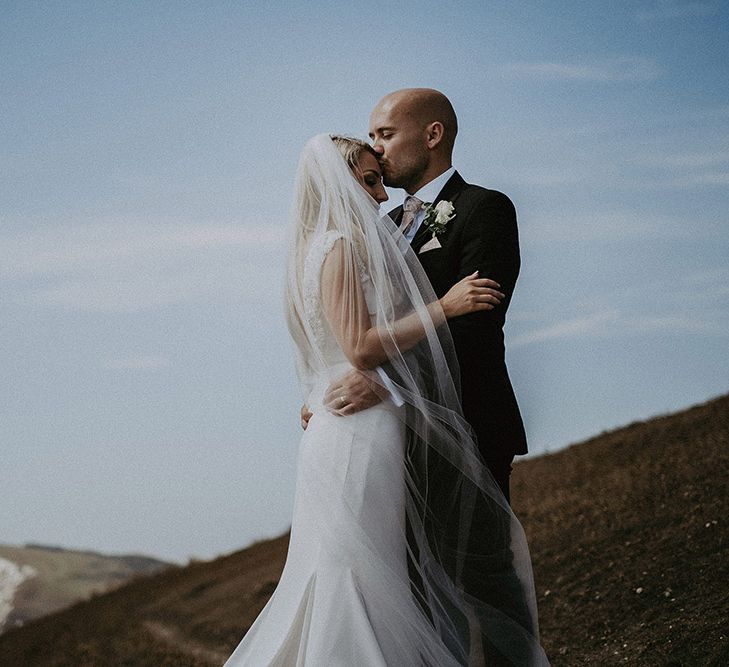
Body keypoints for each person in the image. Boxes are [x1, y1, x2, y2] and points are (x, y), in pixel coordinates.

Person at [223, 134, 547, 665]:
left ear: (433, 132)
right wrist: (443, 308)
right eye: (369, 181)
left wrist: (332, 386)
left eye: (385, 139)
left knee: (383, 571)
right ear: (340, 183)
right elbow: (357, 345)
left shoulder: (472, 211)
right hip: (362, 426)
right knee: (365, 574)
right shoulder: (348, 244)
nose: (380, 196)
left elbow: (338, 343)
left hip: (384, 419)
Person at [306, 88, 526, 502]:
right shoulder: (377, 226)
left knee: (473, 565)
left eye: (385, 134)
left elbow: (475, 325)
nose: (375, 147)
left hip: (466, 422)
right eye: (372, 136)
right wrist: (328, 392)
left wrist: (388, 383)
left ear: (433, 135)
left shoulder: (484, 208)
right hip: (387, 431)